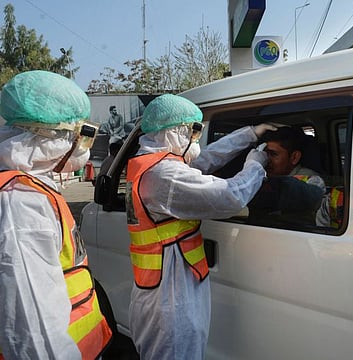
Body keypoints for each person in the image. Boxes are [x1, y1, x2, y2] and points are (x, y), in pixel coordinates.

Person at [125, 94, 274, 359]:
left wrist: (250, 134)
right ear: (174, 132)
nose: (196, 139)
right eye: (193, 131)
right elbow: (229, 197)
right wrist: (256, 165)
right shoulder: (164, 175)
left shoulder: (154, 163)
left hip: (167, 283)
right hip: (170, 294)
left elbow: (204, 161)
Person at [0, 71, 113, 359]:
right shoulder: (20, 204)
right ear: (48, 136)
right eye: (81, 137)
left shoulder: (32, 189)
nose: (83, 149)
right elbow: (35, 336)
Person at [248, 126, 326, 225]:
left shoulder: (311, 180)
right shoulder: (260, 175)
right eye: (264, 154)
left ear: (294, 157)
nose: (266, 160)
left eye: (273, 154)